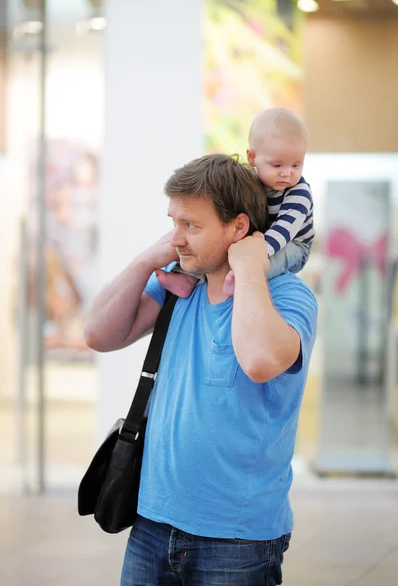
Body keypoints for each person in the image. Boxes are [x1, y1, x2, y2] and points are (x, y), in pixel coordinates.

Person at [84, 154, 318, 586]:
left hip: (237, 541)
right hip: (151, 523)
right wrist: (146, 259)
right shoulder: (178, 285)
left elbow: (261, 360)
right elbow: (98, 335)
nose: (177, 238)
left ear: (239, 228)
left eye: (191, 225)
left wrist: (249, 266)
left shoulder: (289, 297)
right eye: (173, 221)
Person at [157, 107, 314, 298]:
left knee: (266, 262)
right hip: (263, 238)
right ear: (252, 158)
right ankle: (186, 278)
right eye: (277, 165)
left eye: (296, 165)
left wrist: (255, 252)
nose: (287, 173)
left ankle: (242, 282)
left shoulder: (299, 192)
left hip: (294, 244)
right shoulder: (253, 184)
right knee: (210, 250)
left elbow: (285, 229)